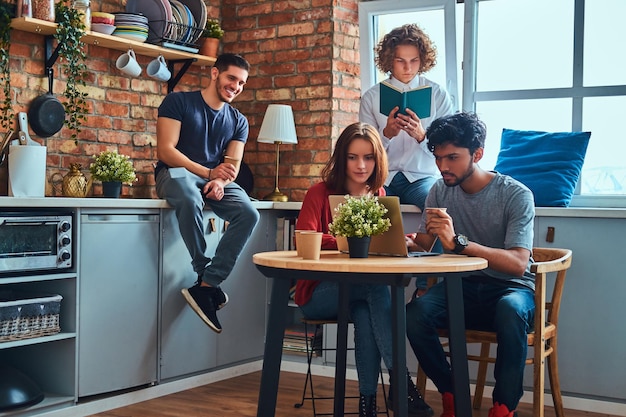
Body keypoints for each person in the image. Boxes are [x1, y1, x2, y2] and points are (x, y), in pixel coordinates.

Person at [295, 122, 433, 417]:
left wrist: (397, 241)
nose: (361, 165)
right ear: (341, 158)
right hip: (318, 292)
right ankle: (402, 387)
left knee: (365, 310)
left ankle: (367, 406)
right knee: (375, 287)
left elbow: (377, 245)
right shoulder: (319, 193)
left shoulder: (378, 192)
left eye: (368, 157)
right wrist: (354, 238)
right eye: (353, 157)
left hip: (358, 294)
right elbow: (306, 238)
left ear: (377, 160)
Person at [404, 112, 536, 417]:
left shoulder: (515, 195)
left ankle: (503, 408)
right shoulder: (439, 189)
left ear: (477, 154)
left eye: (452, 157)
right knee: (413, 314)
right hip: (461, 286)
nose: (442, 166)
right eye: (438, 157)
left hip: (510, 289)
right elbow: (424, 243)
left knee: (511, 310)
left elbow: (518, 264)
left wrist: (459, 243)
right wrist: (396, 240)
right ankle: (452, 393)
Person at [155, 53, 260, 334]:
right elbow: (166, 150)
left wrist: (221, 183)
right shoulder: (178, 102)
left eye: (241, 83)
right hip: (176, 173)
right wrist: (208, 173)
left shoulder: (238, 120)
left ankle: (208, 284)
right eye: (231, 79)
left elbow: (233, 165)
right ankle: (203, 271)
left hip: (212, 179)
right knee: (190, 198)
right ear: (215, 74)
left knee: (249, 212)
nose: (235, 87)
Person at [359, 23, 455, 295]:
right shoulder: (372, 96)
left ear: (423, 60)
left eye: (414, 61)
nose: (407, 67)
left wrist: (423, 136)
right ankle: (375, 282)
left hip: (421, 177)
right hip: (384, 177)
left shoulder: (437, 94)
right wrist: (386, 134)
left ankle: (426, 285)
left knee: (437, 203)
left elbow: (448, 149)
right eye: (400, 60)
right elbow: (365, 151)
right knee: (364, 208)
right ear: (390, 60)